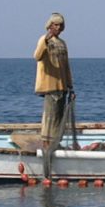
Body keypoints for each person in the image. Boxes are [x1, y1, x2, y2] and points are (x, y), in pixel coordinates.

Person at [33, 13, 75, 178]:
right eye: (55, 25)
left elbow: (66, 66)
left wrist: (70, 86)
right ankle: (46, 150)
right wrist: (45, 40)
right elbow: (37, 56)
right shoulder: (44, 40)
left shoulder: (62, 44)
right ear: (50, 25)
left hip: (62, 87)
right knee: (49, 120)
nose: (58, 28)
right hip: (49, 88)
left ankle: (55, 147)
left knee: (59, 120)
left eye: (60, 25)